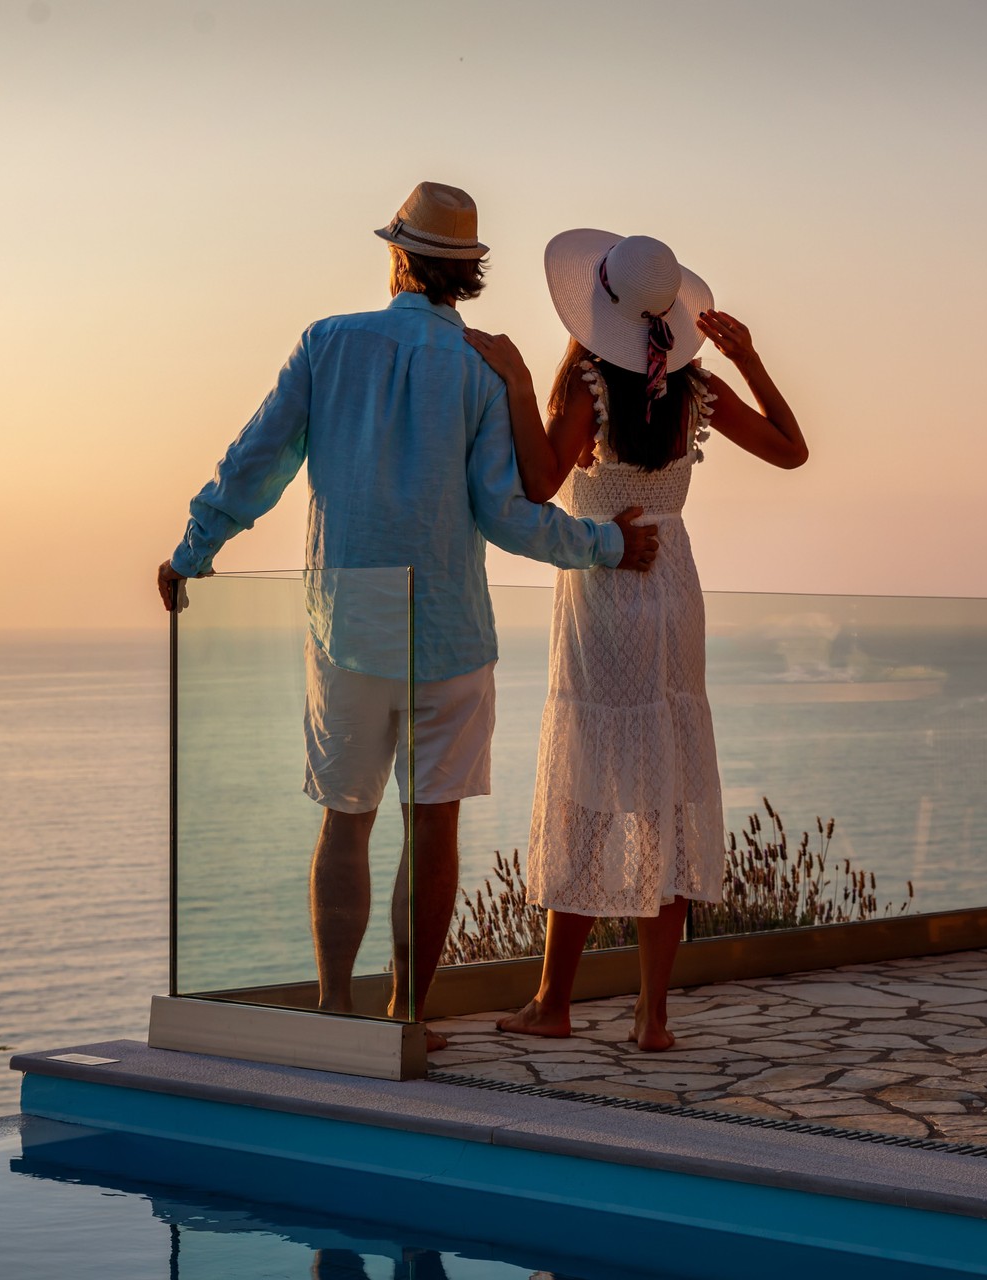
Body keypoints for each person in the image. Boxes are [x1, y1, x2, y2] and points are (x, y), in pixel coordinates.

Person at [156, 185, 658, 1048]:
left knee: (344, 819)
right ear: (467, 275)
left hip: (348, 630)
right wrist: (607, 545)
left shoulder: (326, 344)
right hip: (451, 634)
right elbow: (508, 516)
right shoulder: (479, 368)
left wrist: (193, 552)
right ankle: (406, 1019)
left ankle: (333, 1013)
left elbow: (255, 464)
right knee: (433, 827)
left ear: (397, 257)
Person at [463, 230, 807, 1052]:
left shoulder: (588, 383)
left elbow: (541, 482)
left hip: (606, 582)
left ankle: (554, 1001)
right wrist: (750, 360)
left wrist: (521, 382)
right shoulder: (695, 390)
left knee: (588, 787)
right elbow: (793, 453)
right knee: (666, 790)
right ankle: (653, 1017)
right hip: (674, 586)